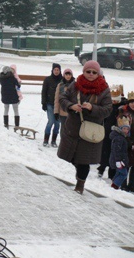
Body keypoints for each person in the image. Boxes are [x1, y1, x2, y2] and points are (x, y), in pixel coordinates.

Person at [58, 60, 112, 194]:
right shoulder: (75, 85)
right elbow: (62, 98)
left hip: (90, 131)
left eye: (94, 72)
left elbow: (108, 109)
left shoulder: (104, 89)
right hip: (73, 128)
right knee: (71, 157)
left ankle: (80, 185)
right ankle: (79, 176)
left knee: (83, 161)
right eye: (88, 71)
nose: (91, 74)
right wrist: (71, 106)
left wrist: (92, 108)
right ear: (83, 72)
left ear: (98, 74)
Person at [97, 84, 126, 179]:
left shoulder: (122, 108)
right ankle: (101, 168)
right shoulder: (109, 105)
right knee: (104, 151)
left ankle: (111, 173)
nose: (114, 101)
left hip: (117, 134)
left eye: (115, 100)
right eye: (113, 99)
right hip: (106, 132)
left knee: (113, 153)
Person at [41, 63, 63, 147]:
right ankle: (46, 139)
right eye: (55, 70)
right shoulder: (48, 80)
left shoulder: (62, 80)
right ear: (52, 70)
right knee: (51, 121)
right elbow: (44, 92)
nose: (56, 71)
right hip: (50, 104)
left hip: (59, 106)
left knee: (57, 123)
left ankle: (53, 140)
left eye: (58, 70)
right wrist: (43, 103)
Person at [109, 113, 132, 190]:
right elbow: (116, 150)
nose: (126, 131)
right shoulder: (119, 138)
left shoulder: (123, 138)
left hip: (121, 160)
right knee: (124, 174)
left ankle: (113, 185)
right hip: (118, 160)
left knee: (120, 173)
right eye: (124, 129)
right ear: (120, 128)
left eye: (127, 129)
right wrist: (118, 161)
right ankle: (115, 186)